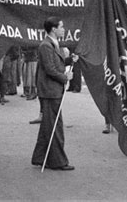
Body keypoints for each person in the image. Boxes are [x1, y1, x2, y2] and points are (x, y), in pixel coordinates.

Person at [31, 16, 78, 171]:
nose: (64, 29)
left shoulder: (52, 44)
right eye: (61, 26)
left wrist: (70, 60)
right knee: (54, 127)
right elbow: (50, 68)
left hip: (52, 90)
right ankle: (57, 162)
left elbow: (56, 63)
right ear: (53, 29)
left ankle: (40, 157)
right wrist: (65, 77)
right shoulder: (46, 45)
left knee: (48, 125)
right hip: (50, 91)